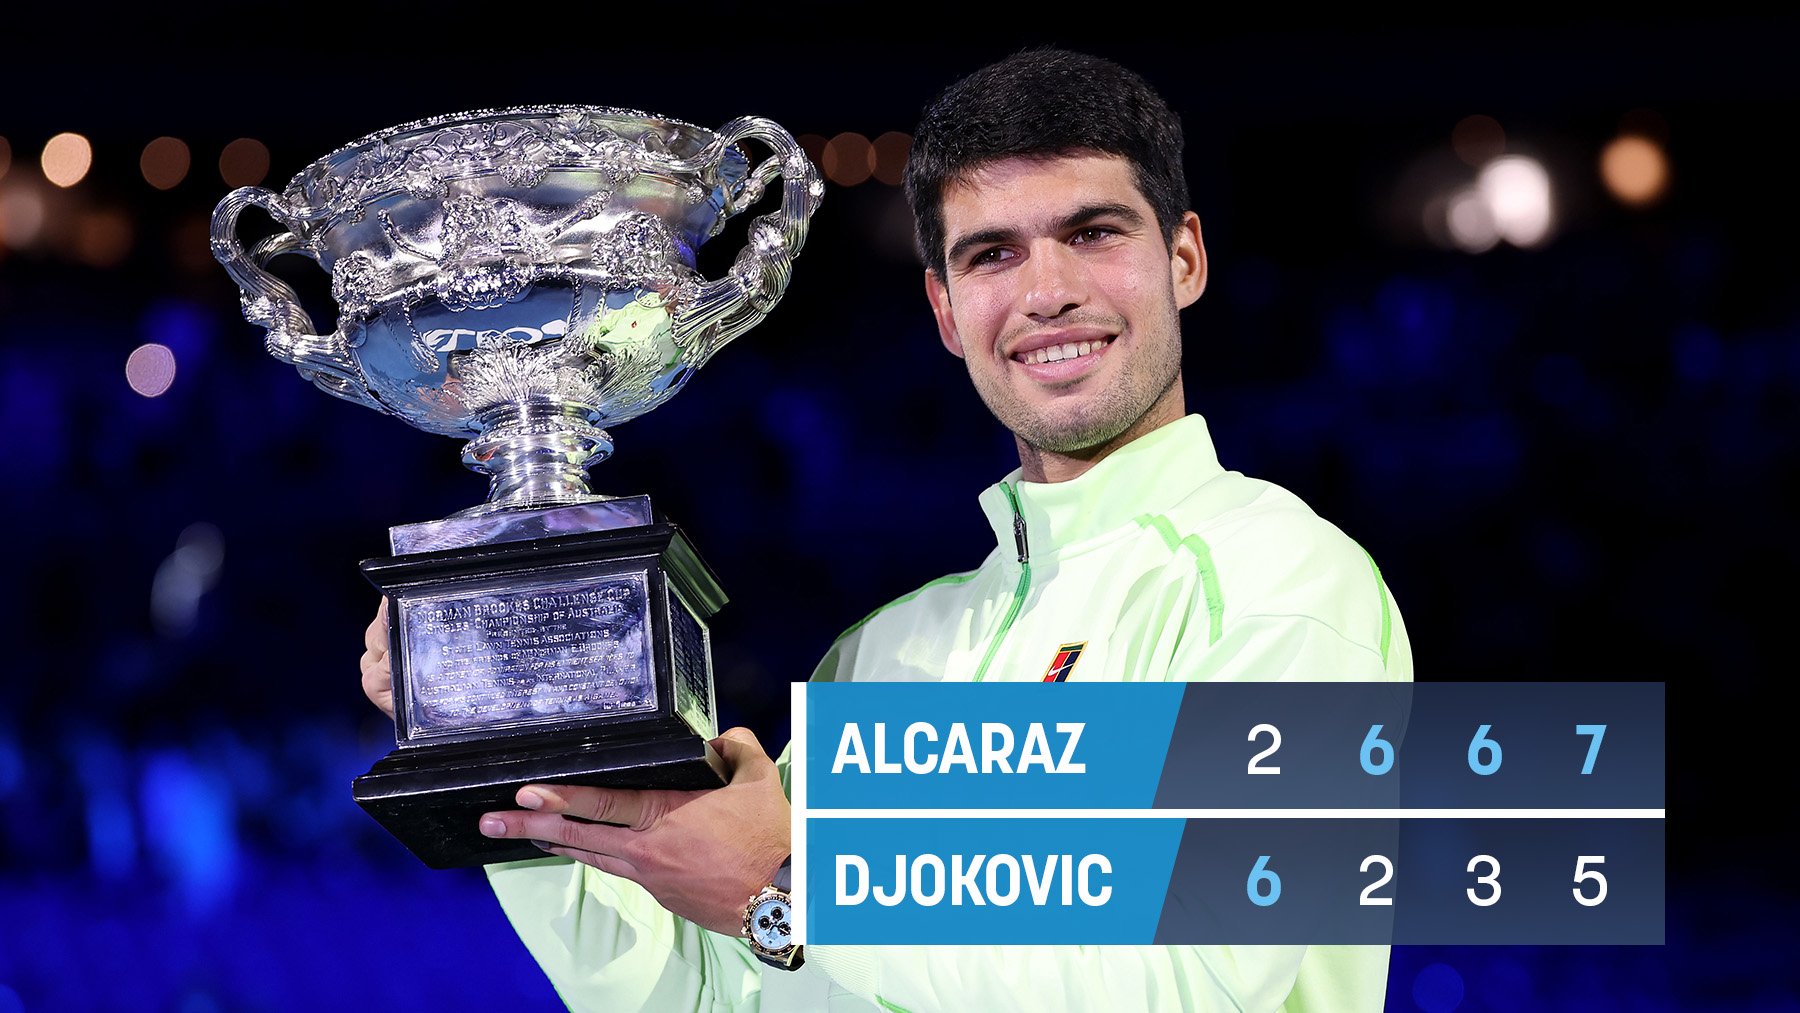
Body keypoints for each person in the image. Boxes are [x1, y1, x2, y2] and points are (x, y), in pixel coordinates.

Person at [360, 46, 1412, 1012]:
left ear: (1183, 258)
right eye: (993, 254)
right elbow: (714, 994)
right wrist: (512, 731)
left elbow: (1202, 976)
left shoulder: (1282, 581)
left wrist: (786, 881)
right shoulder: (883, 659)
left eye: (1093, 233)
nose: (1047, 291)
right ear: (947, 310)